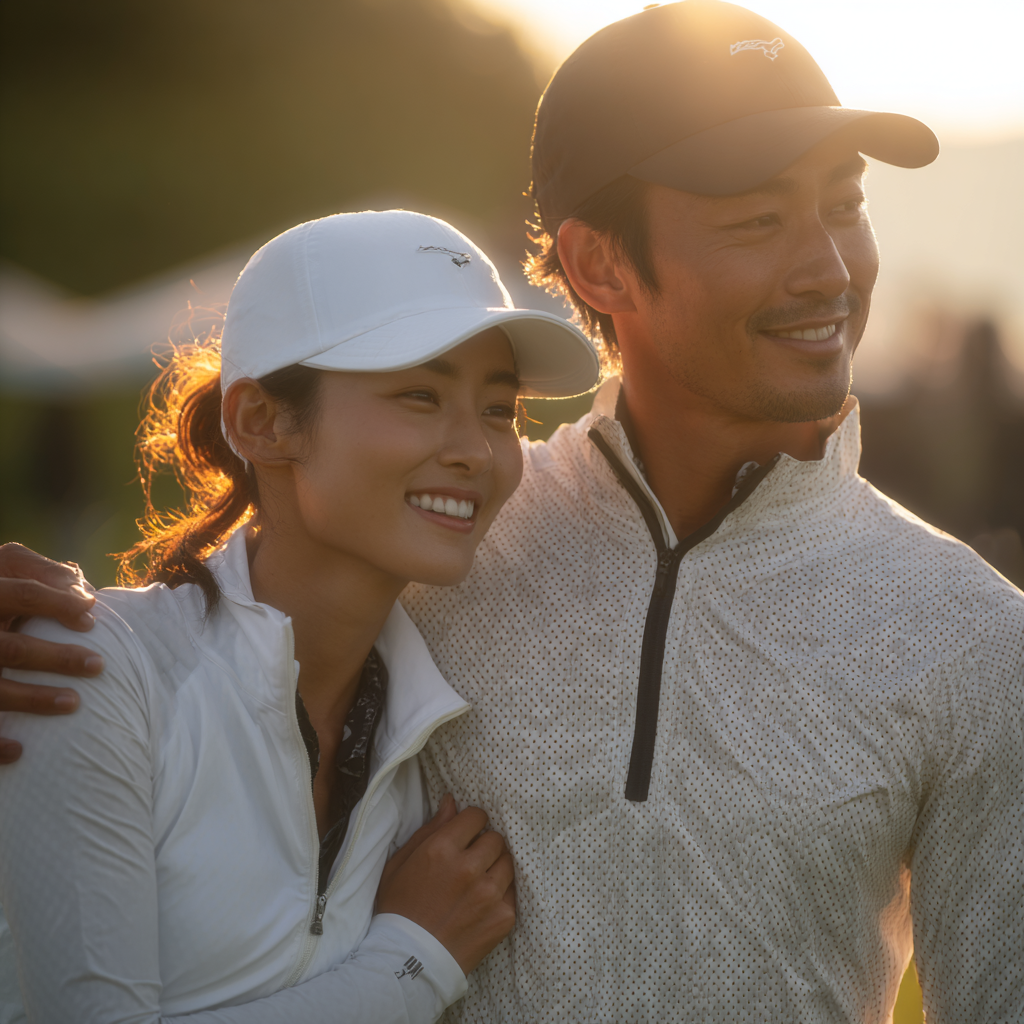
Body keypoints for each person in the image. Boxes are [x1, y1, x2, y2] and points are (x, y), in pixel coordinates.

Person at [3, 2, 1023, 1022]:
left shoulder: (969, 637)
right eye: (757, 219)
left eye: (844, 205)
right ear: (597, 266)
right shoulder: (451, 531)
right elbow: (256, 570)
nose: (830, 269)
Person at [0, 209, 600, 1022]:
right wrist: (411, 963)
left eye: (499, 410)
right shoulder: (92, 673)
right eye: (420, 395)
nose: (476, 449)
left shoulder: (431, 742)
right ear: (262, 422)